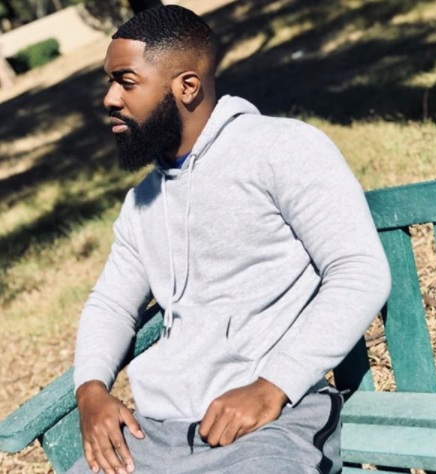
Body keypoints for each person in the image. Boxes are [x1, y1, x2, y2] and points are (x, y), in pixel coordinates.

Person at [68, 5, 391, 474]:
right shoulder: (143, 201)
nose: (110, 98)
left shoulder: (281, 149)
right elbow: (111, 306)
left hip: (267, 425)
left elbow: (358, 271)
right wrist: (90, 390)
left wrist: (271, 386)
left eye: (126, 81)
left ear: (187, 86)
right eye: (109, 81)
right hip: (152, 434)